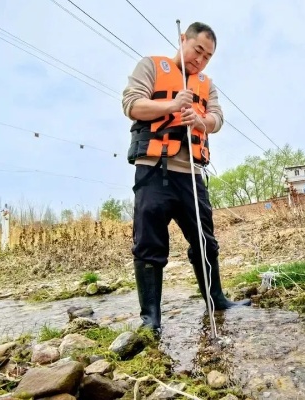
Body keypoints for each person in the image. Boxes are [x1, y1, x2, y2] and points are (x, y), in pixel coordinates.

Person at [121, 21, 250, 336]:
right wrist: (173, 105)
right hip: (154, 169)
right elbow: (131, 104)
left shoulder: (207, 84)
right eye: (198, 51)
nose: (201, 60)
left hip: (191, 174)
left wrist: (201, 120)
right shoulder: (151, 66)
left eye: (208, 56)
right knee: (149, 242)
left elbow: (217, 118)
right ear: (183, 40)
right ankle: (151, 318)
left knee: (205, 240)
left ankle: (216, 298)